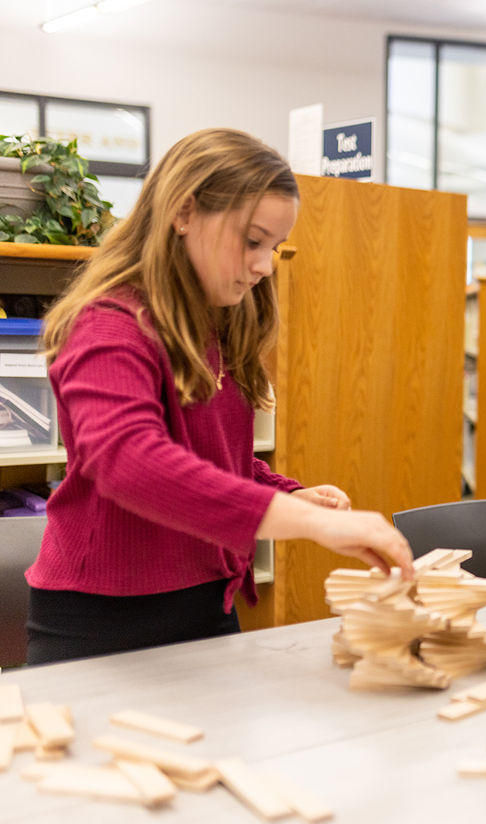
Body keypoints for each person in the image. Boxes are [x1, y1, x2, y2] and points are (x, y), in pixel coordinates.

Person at [25, 128, 413, 665]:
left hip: (207, 602)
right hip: (102, 623)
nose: (264, 265)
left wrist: (284, 494)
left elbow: (206, 457)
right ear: (184, 213)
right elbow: (129, 462)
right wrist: (303, 521)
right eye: (252, 241)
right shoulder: (107, 327)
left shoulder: (213, 325)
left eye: (273, 247)